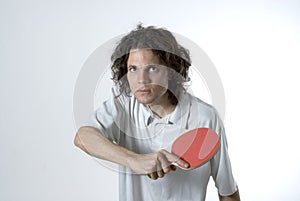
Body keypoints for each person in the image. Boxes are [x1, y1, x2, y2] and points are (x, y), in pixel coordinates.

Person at [74, 24, 240, 201]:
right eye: (133, 69)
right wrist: (134, 160)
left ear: (171, 71)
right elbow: (83, 137)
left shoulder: (206, 117)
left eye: (152, 68)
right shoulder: (124, 104)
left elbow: (227, 192)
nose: (141, 80)